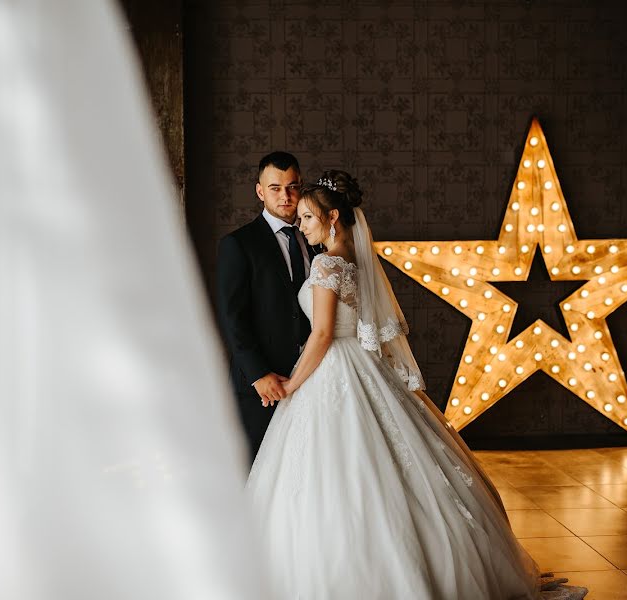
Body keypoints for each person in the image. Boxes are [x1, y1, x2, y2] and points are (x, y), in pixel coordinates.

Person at [247, 170, 588, 599]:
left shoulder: (326, 262)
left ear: (333, 217)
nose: (302, 226)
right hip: (362, 366)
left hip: (332, 366)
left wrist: (292, 385)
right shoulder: (353, 258)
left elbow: (321, 334)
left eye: (309, 218)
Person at [216, 151, 316, 460]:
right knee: (260, 476)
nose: (285, 196)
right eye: (275, 188)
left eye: (292, 186)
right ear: (260, 191)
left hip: (312, 379)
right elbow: (232, 316)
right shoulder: (239, 243)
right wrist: (259, 374)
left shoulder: (316, 240)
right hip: (261, 387)